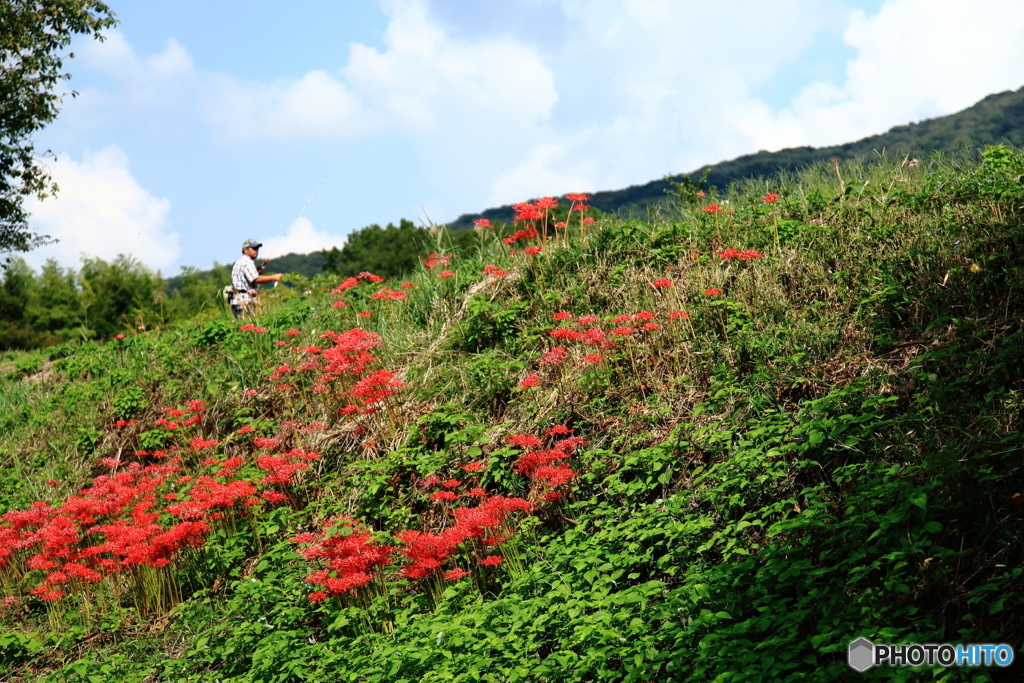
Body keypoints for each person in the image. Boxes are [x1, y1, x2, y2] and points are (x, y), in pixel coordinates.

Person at [229, 238, 283, 318]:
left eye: (257, 248)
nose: (256, 250)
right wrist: (274, 277)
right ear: (245, 250)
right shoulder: (247, 262)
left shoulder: (240, 262)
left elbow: (246, 280)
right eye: (253, 248)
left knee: (243, 328)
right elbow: (255, 279)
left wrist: (257, 272)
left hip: (238, 302)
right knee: (247, 328)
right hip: (244, 302)